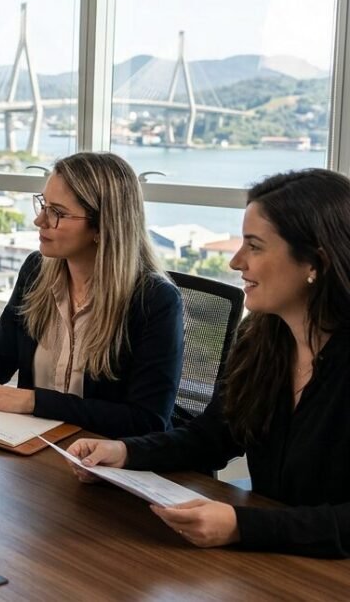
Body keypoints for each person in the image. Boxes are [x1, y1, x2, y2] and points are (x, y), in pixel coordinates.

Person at [68, 169, 350, 558]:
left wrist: (241, 526)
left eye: (254, 246)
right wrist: (126, 453)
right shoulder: (262, 338)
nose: (236, 261)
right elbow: (212, 437)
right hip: (273, 562)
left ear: (315, 262)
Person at [0, 152, 183, 438]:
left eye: (58, 212)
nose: (39, 220)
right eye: (44, 205)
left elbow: (147, 420)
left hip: (102, 455)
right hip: (33, 445)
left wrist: (35, 402)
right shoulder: (36, 271)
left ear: (102, 226)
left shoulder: (154, 300)